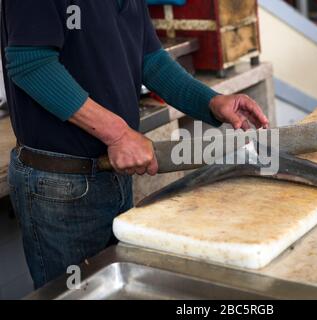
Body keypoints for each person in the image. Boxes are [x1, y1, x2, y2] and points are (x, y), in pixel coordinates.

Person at [1, 0, 269, 288]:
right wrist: (118, 134)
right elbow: (31, 64)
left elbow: (149, 59)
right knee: (79, 294)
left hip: (112, 173)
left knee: (117, 290)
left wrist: (212, 102)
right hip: (60, 186)